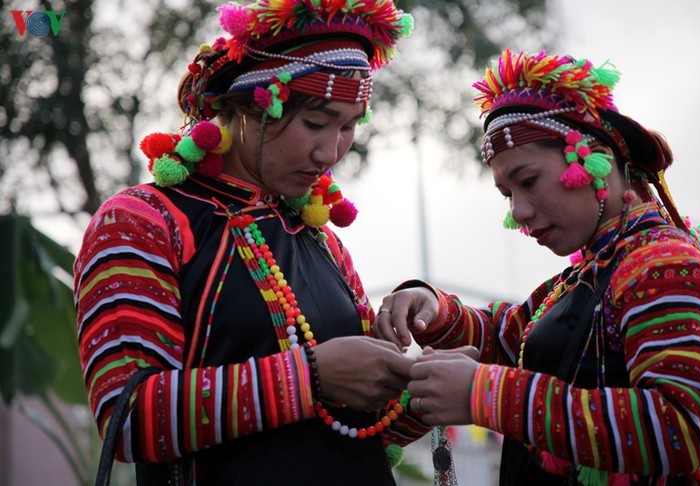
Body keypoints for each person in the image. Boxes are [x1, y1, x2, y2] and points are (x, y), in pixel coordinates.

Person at [73, 1, 431, 484]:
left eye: (348, 126)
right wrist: (313, 376)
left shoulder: (318, 236)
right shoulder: (144, 221)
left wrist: (425, 390)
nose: (331, 153)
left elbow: (356, 427)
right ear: (247, 106)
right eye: (315, 123)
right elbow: (128, 420)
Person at [374, 49, 700, 484]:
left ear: (593, 159)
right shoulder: (587, 275)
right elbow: (507, 339)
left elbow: (679, 430)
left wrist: (485, 393)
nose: (518, 211)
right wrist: (432, 305)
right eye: (507, 193)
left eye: (527, 181)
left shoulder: (662, 264)